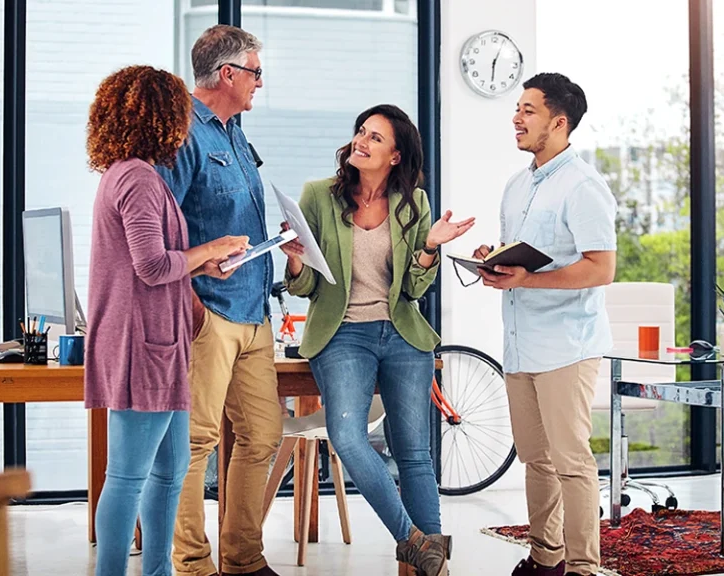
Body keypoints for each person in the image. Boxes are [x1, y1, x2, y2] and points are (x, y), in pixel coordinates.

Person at [281, 104, 474, 576]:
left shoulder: (416, 204)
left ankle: (430, 568)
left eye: (374, 138)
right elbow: (305, 288)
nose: (360, 142)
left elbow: (412, 289)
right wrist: (294, 260)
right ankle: (413, 542)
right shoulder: (318, 197)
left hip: (402, 333)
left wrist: (430, 247)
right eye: (360, 133)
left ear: (395, 156)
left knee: (413, 451)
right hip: (343, 332)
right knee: (348, 436)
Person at [84, 65, 249, 576]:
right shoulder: (135, 178)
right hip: (142, 345)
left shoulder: (140, 175)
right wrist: (210, 248)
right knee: (130, 475)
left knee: (172, 471)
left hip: (162, 346)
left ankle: (157, 571)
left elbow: (165, 261)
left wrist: (204, 261)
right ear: (162, 116)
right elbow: (151, 266)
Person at [473, 73, 617, 576]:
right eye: (518, 107)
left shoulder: (584, 186)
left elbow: (601, 268)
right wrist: (495, 259)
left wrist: (525, 282)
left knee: (571, 462)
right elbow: (530, 260)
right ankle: (545, 557)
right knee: (536, 459)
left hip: (567, 346)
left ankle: (582, 566)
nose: (517, 117)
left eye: (529, 110)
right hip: (521, 342)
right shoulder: (517, 186)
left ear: (559, 122)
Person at [155, 25, 283, 576]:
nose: (261, 82)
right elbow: (157, 234)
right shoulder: (181, 135)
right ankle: (192, 563)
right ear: (228, 74)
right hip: (210, 312)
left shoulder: (233, 131)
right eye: (255, 71)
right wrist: (193, 308)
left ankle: (243, 559)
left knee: (262, 435)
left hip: (254, 311)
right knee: (197, 442)